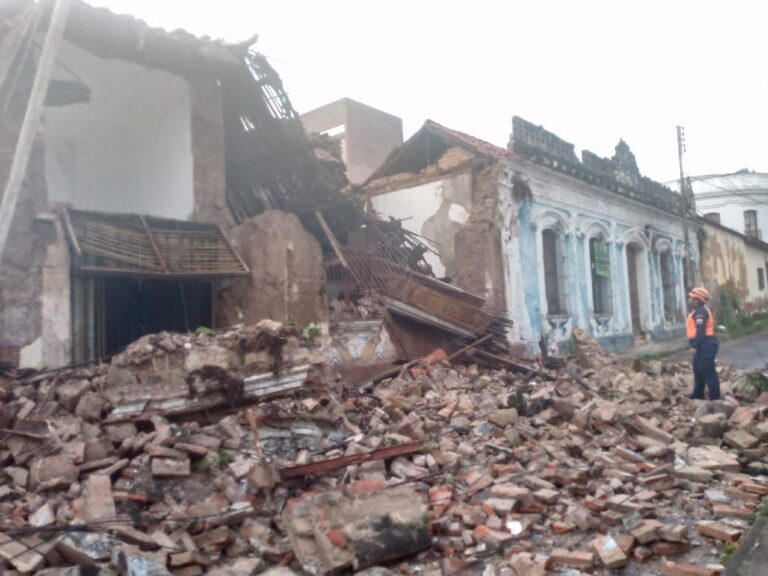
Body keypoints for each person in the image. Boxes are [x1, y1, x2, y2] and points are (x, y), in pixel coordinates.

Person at [686, 287, 720, 400]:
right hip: (703, 344)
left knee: (708, 371)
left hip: (706, 344)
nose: (690, 300)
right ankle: (698, 393)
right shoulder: (698, 311)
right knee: (698, 369)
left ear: (698, 299)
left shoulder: (701, 312)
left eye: (692, 298)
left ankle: (715, 398)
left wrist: (695, 345)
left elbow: (700, 331)